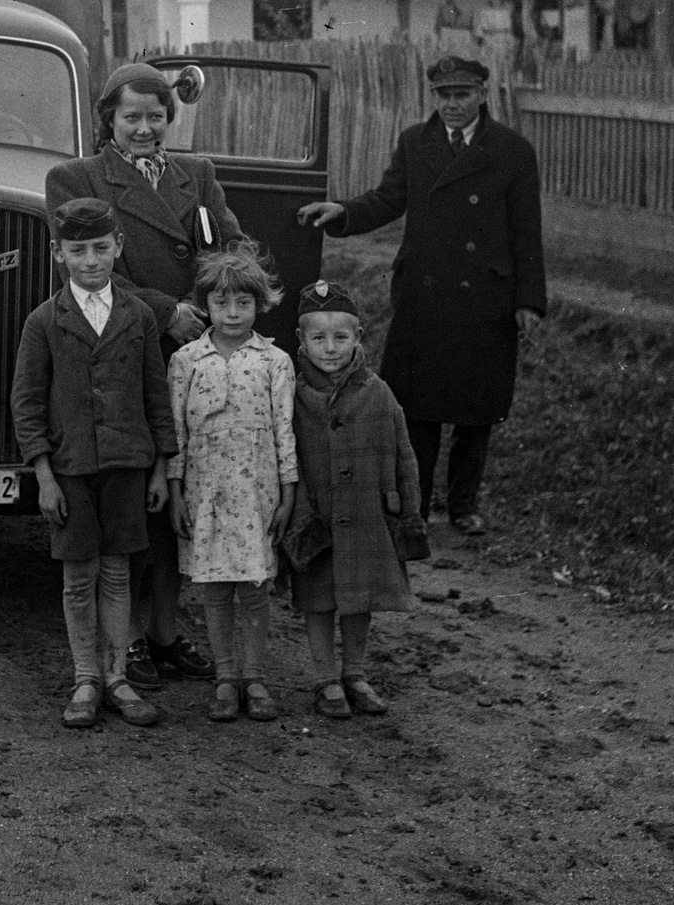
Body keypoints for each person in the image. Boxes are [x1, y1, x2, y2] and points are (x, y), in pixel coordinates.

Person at [46, 61, 242, 690]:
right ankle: (127, 641)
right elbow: (90, 271)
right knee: (132, 497)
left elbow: (230, 246)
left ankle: (164, 631)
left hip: (192, 353)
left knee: (180, 490)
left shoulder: (197, 173)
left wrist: (213, 305)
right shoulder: (75, 178)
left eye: (156, 116)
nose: (144, 128)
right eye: (131, 116)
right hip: (123, 352)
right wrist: (167, 311)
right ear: (109, 118)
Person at [297, 56, 545, 535]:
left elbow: (526, 231)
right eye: (443, 95)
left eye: (462, 95)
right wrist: (343, 212)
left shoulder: (512, 150)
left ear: (482, 95)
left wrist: (528, 300)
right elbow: (387, 199)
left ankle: (464, 505)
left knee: (478, 408)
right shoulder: (416, 142)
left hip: (486, 297)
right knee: (418, 407)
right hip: (424, 295)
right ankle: (416, 505)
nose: (452, 104)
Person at [10, 197, 175, 729]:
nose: (90, 261)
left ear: (118, 247)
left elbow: (157, 396)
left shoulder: (139, 316)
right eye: (77, 251)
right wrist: (44, 476)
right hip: (70, 468)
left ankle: (117, 677)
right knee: (78, 578)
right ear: (58, 254)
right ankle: (86, 679)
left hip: (127, 466)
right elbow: (27, 403)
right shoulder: (44, 321)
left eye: (101, 248)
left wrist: (159, 468)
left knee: (118, 573)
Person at [166, 241, 297, 723]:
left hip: (258, 492)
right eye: (221, 302)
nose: (233, 313)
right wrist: (176, 492)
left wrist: (288, 494)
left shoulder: (274, 361)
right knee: (215, 588)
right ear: (206, 304)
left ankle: (254, 677)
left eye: (244, 302)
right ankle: (225, 676)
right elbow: (175, 434)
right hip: (205, 493)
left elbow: (285, 431)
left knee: (255, 587)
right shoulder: (186, 360)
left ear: (260, 304)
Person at [287, 279, 425, 720]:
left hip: (367, 513)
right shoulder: (289, 394)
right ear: (301, 339)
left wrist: (408, 510)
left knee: (360, 594)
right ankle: (325, 678)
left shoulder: (378, 392)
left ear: (358, 337)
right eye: (318, 338)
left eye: (341, 337)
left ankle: (355, 672)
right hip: (315, 513)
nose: (330, 348)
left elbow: (403, 453)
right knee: (318, 595)